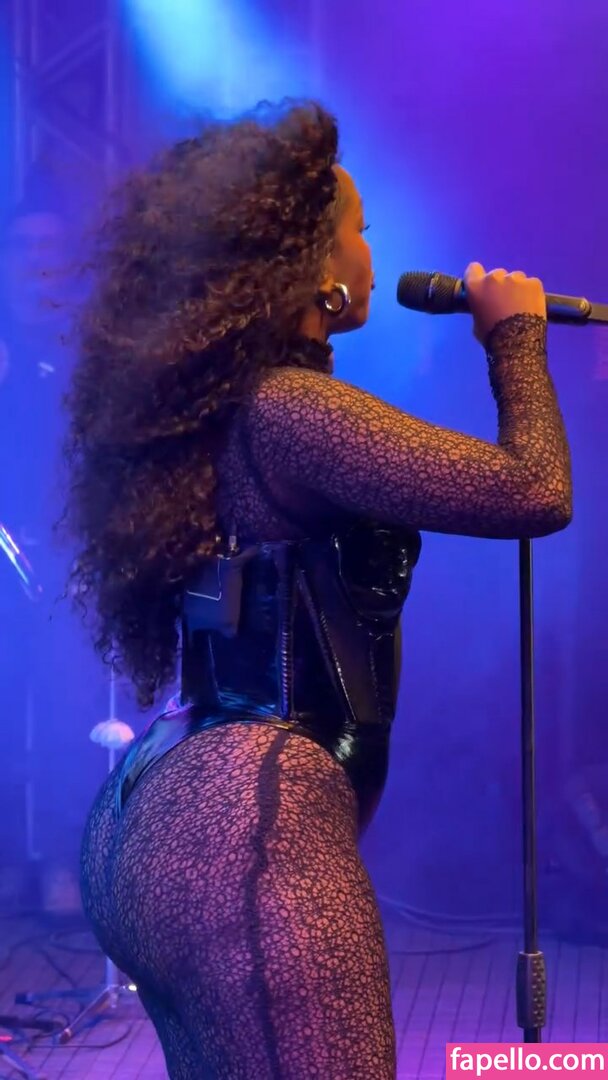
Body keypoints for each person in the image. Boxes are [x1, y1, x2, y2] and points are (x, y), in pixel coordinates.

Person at [62, 103, 572, 1079]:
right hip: (247, 834)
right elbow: (534, 489)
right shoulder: (289, 409)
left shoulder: (216, 408)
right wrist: (515, 336)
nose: (372, 254)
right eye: (358, 230)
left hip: (151, 813)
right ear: (312, 266)